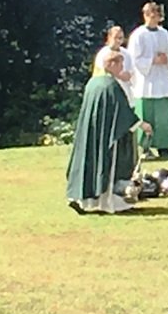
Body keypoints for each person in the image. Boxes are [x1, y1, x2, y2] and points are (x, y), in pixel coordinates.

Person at [66, 51, 153, 214]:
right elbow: (122, 111)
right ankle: (111, 203)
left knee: (91, 163)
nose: (122, 67)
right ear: (111, 64)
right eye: (119, 64)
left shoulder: (93, 83)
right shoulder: (111, 85)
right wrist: (142, 125)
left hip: (93, 132)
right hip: (107, 135)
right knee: (109, 165)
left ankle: (82, 200)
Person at [129, 1, 168, 158]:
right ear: (146, 15)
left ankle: (164, 146)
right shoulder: (138, 35)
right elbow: (133, 58)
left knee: (163, 115)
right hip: (146, 81)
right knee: (146, 114)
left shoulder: (164, 33)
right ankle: (145, 148)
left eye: (157, 15)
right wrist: (151, 60)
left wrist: (166, 59)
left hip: (161, 79)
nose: (155, 18)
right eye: (152, 15)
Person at [92, 25, 135, 104]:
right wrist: (118, 75)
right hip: (109, 93)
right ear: (109, 37)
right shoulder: (103, 54)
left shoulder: (127, 54)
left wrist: (127, 76)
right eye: (116, 37)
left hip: (125, 92)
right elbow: (101, 73)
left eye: (121, 38)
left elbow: (132, 72)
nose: (118, 41)